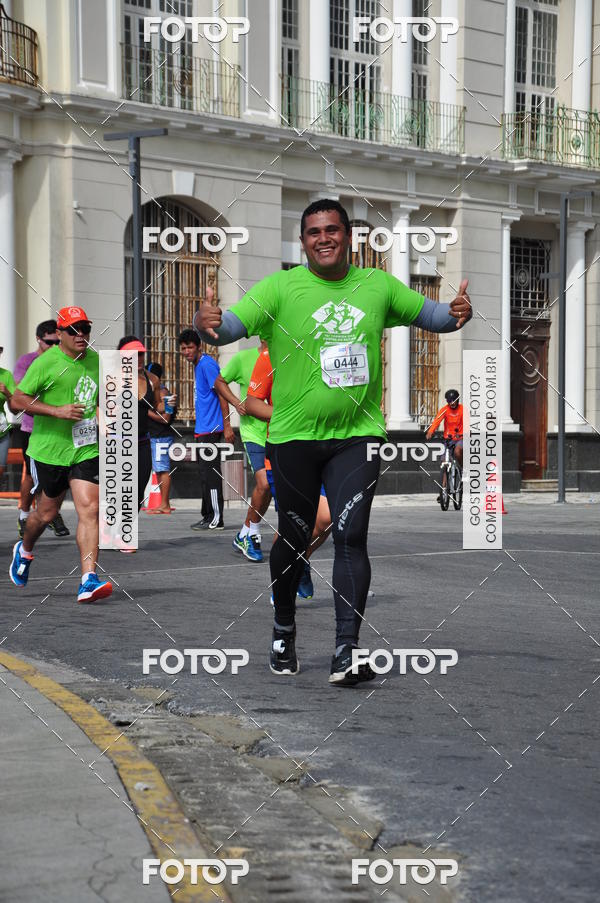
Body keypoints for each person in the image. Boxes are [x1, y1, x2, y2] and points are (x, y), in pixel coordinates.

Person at [194, 199, 472, 684]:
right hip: (293, 439)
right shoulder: (280, 288)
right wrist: (210, 323)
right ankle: (283, 629)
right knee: (295, 537)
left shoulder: (377, 286)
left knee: (351, 536)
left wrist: (457, 312)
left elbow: (435, 317)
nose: (323, 238)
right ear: (303, 242)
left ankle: (347, 650)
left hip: (357, 438)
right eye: (313, 232)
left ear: (349, 237)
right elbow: (229, 328)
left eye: (333, 230)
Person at [9, 306, 112, 603]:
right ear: (60, 334)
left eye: (86, 329)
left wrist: (103, 418)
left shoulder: (96, 361)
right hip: (49, 450)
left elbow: (98, 398)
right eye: (74, 330)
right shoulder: (46, 363)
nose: (81, 335)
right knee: (46, 513)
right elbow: (17, 400)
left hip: (85, 448)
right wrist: (56, 410)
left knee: (89, 510)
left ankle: (88, 579)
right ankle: (25, 549)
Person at [245, 346, 331, 599]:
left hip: (327, 446)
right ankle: (281, 589)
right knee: (293, 525)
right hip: (287, 449)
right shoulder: (270, 354)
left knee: (327, 518)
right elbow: (252, 403)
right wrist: (288, 416)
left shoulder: (323, 348)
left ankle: (300, 560)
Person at [213, 340, 271, 562]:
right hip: (253, 433)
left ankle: (245, 533)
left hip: (278, 432)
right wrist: (235, 407)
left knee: (269, 488)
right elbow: (219, 382)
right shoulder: (243, 358)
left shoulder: (286, 358)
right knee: (264, 483)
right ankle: (252, 533)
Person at [12, 320, 70, 538]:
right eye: (49, 342)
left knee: (61, 478)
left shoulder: (66, 360)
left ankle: (51, 513)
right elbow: (22, 395)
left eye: (57, 342)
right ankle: (25, 515)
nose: (54, 346)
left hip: (63, 431)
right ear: (39, 339)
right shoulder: (28, 361)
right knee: (31, 478)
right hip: (32, 430)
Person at [178, 328, 234, 531]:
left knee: (211, 474)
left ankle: (216, 519)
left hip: (212, 428)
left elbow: (222, 393)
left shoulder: (207, 364)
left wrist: (227, 425)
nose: (186, 352)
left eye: (190, 347)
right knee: (204, 474)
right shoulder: (197, 365)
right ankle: (207, 515)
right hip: (202, 429)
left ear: (198, 347)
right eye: (183, 348)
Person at [146, 361, 178, 514]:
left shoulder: (164, 393)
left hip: (161, 437)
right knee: (159, 470)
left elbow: (166, 418)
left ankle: (165, 505)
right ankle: (163, 504)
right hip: (156, 436)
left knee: (162, 470)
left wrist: (146, 413)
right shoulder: (157, 392)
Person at [426, 388, 463, 505]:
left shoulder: (463, 410)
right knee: (444, 461)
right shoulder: (444, 410)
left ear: (457, 400)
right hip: (448, 439)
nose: (452, 403)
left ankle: (463, 469)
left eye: (454, 400)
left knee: (458, 451)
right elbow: (437, 421)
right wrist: (431, 431)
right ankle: (443, 490)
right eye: (449, 401)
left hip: (461, 437)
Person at [0, 346, 16, 490]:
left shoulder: (6, 375)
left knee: (1, 470)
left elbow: (16, 406)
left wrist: (8, 393)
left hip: (2, 431)